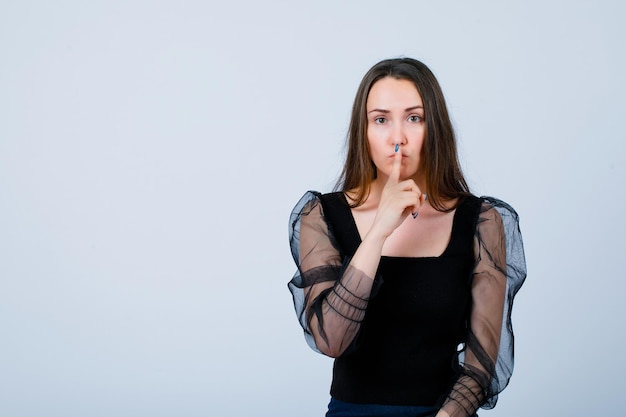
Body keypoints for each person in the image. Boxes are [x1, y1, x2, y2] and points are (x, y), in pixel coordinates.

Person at [287, 57, 526, 417]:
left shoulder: (481, 221)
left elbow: (481, 366)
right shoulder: (322, 215)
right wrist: (379, 231)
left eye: (414, 118)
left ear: (435, 128)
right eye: (381, 119)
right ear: (363, 131)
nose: (397, 137)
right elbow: (331, 339)